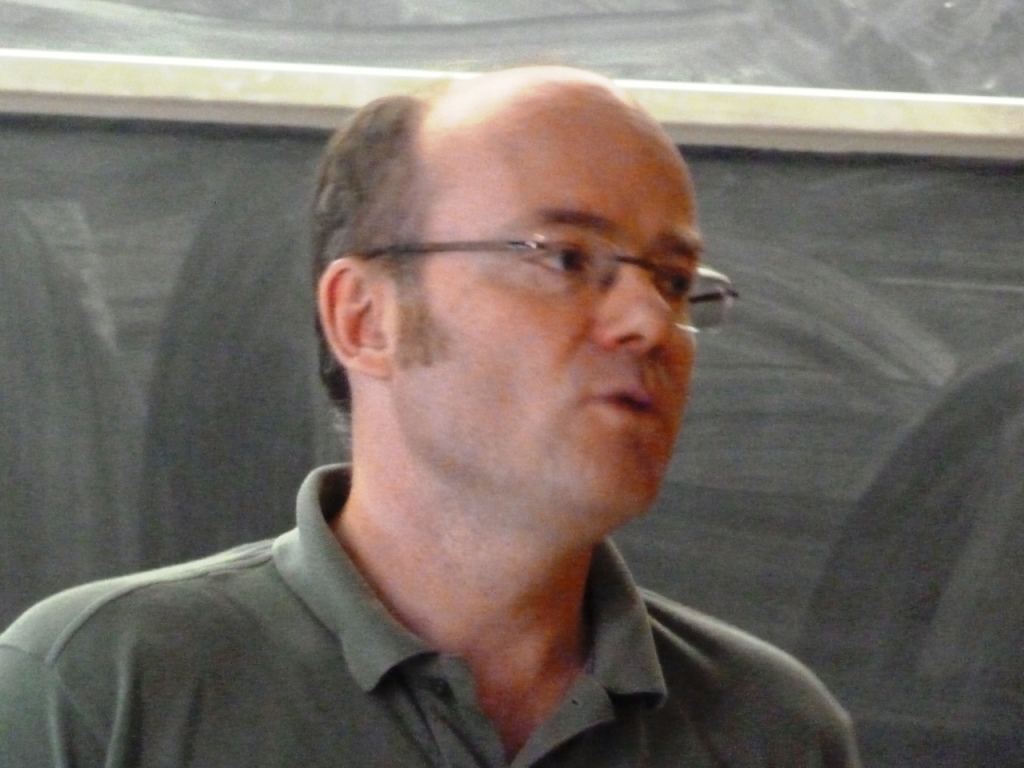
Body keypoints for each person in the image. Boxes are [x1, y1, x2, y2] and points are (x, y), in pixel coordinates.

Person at [0, 66, 861, 767]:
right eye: (564, 257)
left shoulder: (772, 732)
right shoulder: (102, 691)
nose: (646, 321)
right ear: (365, 319)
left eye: (671, 282)